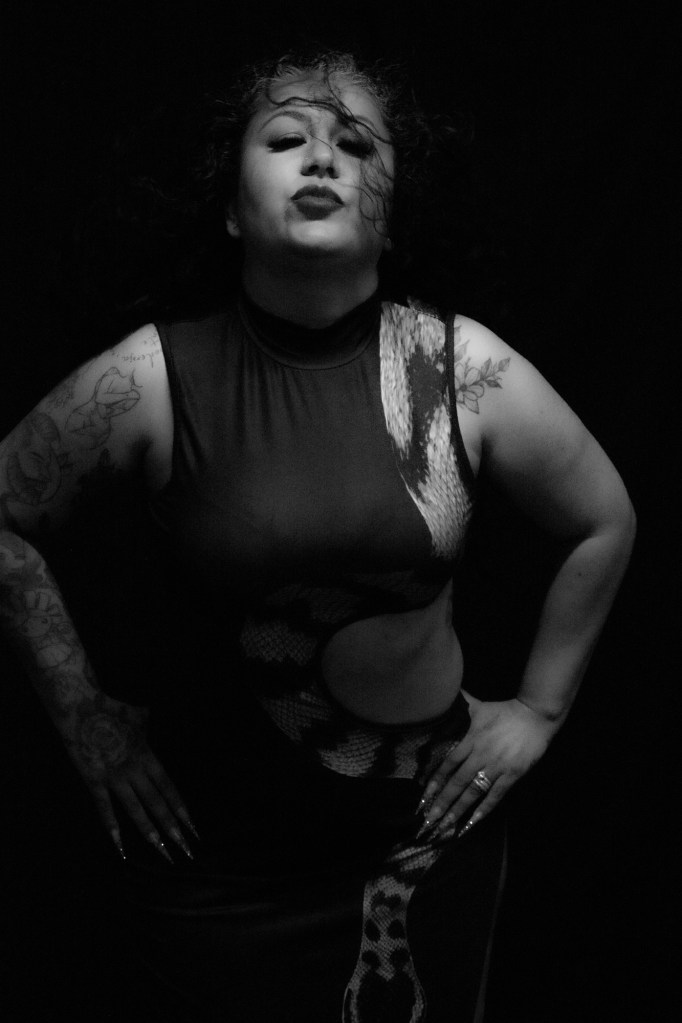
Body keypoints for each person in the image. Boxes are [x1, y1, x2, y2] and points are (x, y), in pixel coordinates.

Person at [0, 51, 635, 1023]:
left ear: (390, 209)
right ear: (231, 206)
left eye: (357, 144)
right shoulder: (154, 379)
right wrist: (84, 716)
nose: (323, 159)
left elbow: (604, 520)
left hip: (420, 851)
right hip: (213, 866)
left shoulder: (457, 366)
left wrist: (540, 712)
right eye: (287, 138)